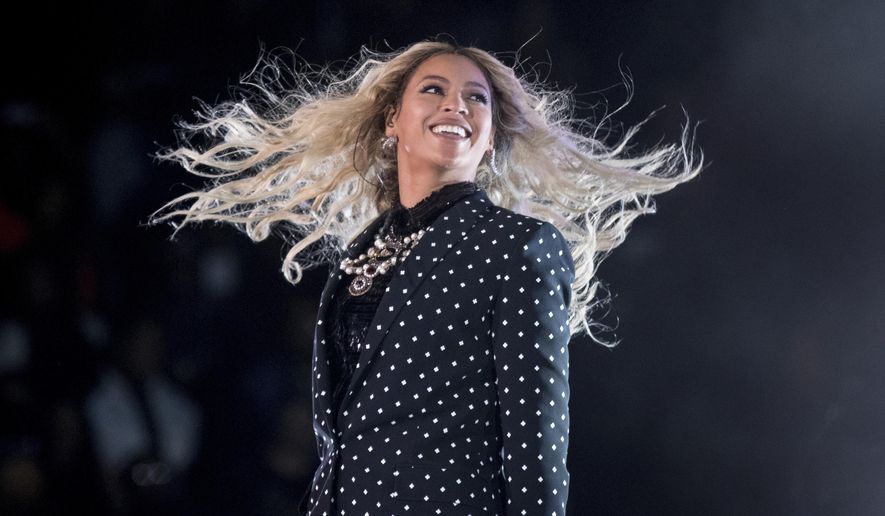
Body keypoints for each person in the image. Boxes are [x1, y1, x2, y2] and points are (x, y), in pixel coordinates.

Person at [151, 39, 701, 515]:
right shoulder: (361, 253)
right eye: (433, 89)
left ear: (490, 138)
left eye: (475, 98)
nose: (455, 104)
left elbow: (537, 444)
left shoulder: (517, 245)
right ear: (393, 120)